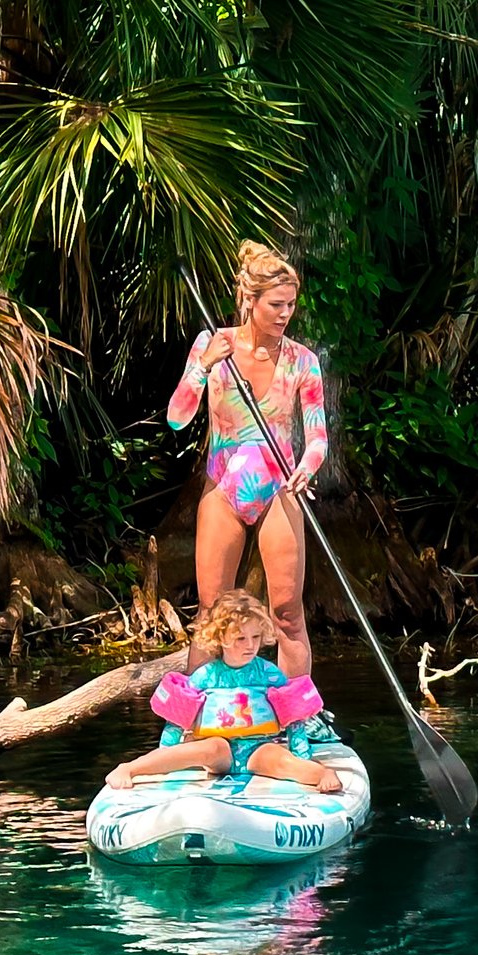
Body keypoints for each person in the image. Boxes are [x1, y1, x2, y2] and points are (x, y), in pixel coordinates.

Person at [169, 240, 328, 675]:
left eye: (291, 305)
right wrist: (203, 366)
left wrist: (307, 468)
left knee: (288, 614)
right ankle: (199, 713)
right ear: (248, 300)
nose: (285, 314)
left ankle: (299, 716)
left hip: (279, 487)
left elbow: (317, 439)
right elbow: (177, 419)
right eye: (276, 304)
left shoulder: (302, 361)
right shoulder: (213, 344)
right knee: (211, 612)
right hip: (223, 489)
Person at [106, 589, 343, 791]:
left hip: (258, 747)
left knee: (279, 759)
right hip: (220, 748)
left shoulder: (270, 674)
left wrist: (301, 755)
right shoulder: (205, 676)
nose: (250, 645)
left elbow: (294, 718)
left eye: (256, 636)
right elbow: (177, 720)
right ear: (220, 637)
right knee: (208, 748)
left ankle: (321, 774)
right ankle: (129, 768)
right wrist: (167, 755)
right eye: (240, 638)